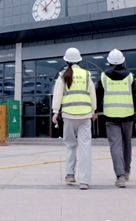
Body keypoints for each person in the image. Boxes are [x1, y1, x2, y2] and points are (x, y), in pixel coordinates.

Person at [96, 49, 136, 188]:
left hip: (111, 116)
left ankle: (120, 176)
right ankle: (126, 171)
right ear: (122, 61)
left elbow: (98, 94)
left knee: (115, 146)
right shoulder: (130, 76)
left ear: (109, 61)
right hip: (127, 115)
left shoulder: (103, 76)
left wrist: (95, 110)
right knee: (127, 144)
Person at [52, 47, 97, 190]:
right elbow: (92, 94)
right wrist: (94, 110)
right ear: (79, 60)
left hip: (68, 115)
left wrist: (55, 112)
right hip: (85, 115)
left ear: (66, 61)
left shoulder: (62, 75)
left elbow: (57, 94)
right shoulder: (86, 74)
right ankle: (84, 181)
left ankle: (70, 174)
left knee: (70, 145)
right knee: (85, 148)